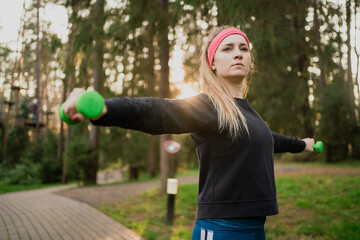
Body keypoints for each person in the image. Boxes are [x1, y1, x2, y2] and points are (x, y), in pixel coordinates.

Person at [63, 26, 316, 240]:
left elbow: (271, 140)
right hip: (221, 229)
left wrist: (302, 144)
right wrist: (105, 109)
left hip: (255, 228)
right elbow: (161, 111)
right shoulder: (209, 106)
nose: (237, 54)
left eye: (243, 48)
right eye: (227, 49)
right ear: (212, 63)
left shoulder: (248, 113)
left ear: (250, 60)